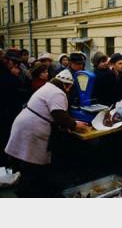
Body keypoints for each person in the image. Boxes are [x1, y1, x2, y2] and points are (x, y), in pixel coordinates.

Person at [5, 69, 89, 197]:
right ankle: (29, 193)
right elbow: (60, 116)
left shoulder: (48, 87)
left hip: (25, 124)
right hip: (31, 127)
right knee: (32, 165)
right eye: (69, 88)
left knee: (28, 163)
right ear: (66, 85)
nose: (69, 91)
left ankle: (28, 190)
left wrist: (69, 123)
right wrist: (75, 124)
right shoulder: (58, 93)